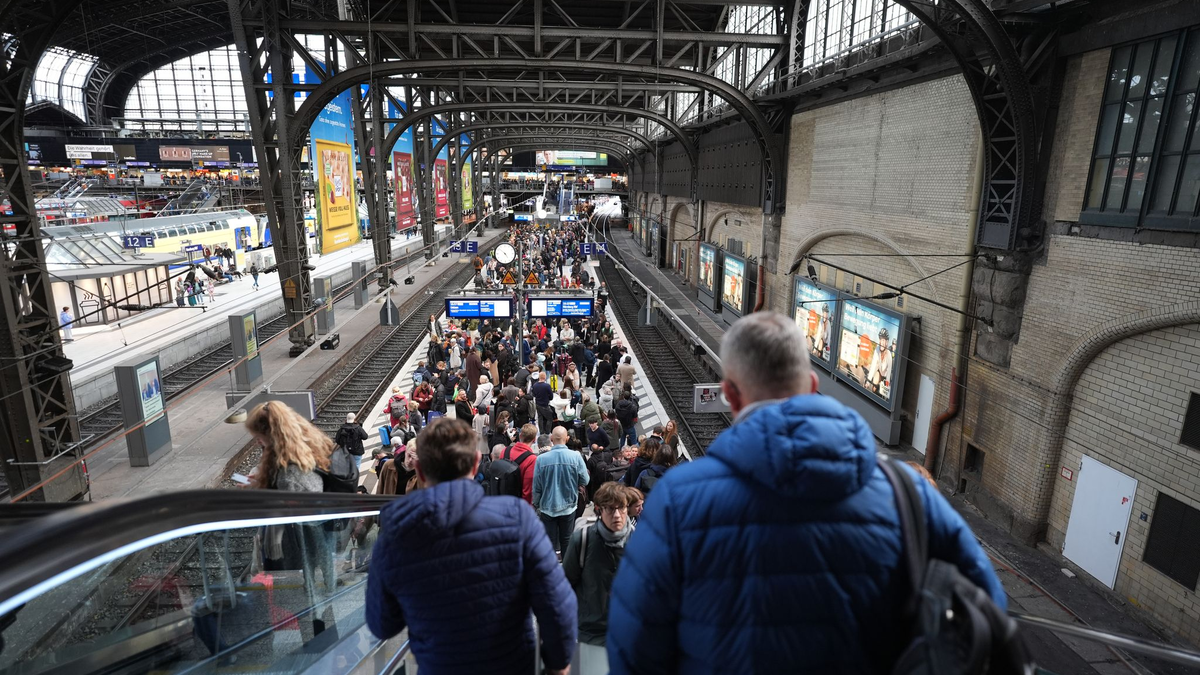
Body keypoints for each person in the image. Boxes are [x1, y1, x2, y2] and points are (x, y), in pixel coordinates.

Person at [606, 312, 1006, 674]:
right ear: (812, 384)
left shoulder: (679, 500)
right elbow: (987, 615)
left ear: (730, 392)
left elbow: (635, 646)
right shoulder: (912, 494)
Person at [365, 418, 577, 675]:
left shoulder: (395, 534)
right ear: (477, 463)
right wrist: (557, 664)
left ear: (420, 470)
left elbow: (382, 625)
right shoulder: (517, 518)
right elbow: (558, 605)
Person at [563, 483, 633, 675]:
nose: (617, 515)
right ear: (599, 510)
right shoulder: (583, 540)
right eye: (610, 509)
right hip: (589, 633)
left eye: (621, 508)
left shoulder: (639, 542)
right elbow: (565, 586)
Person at [531, 426, 590, 557]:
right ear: (567, 438)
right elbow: (585, 480)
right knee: (567, 539)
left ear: (552, 439)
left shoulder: (541, 459)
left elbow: (537, 487)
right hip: (569, 506)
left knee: (550, 542)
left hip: (547, 506)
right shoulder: (575, 456)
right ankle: (567, 569)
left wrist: (536, 503)